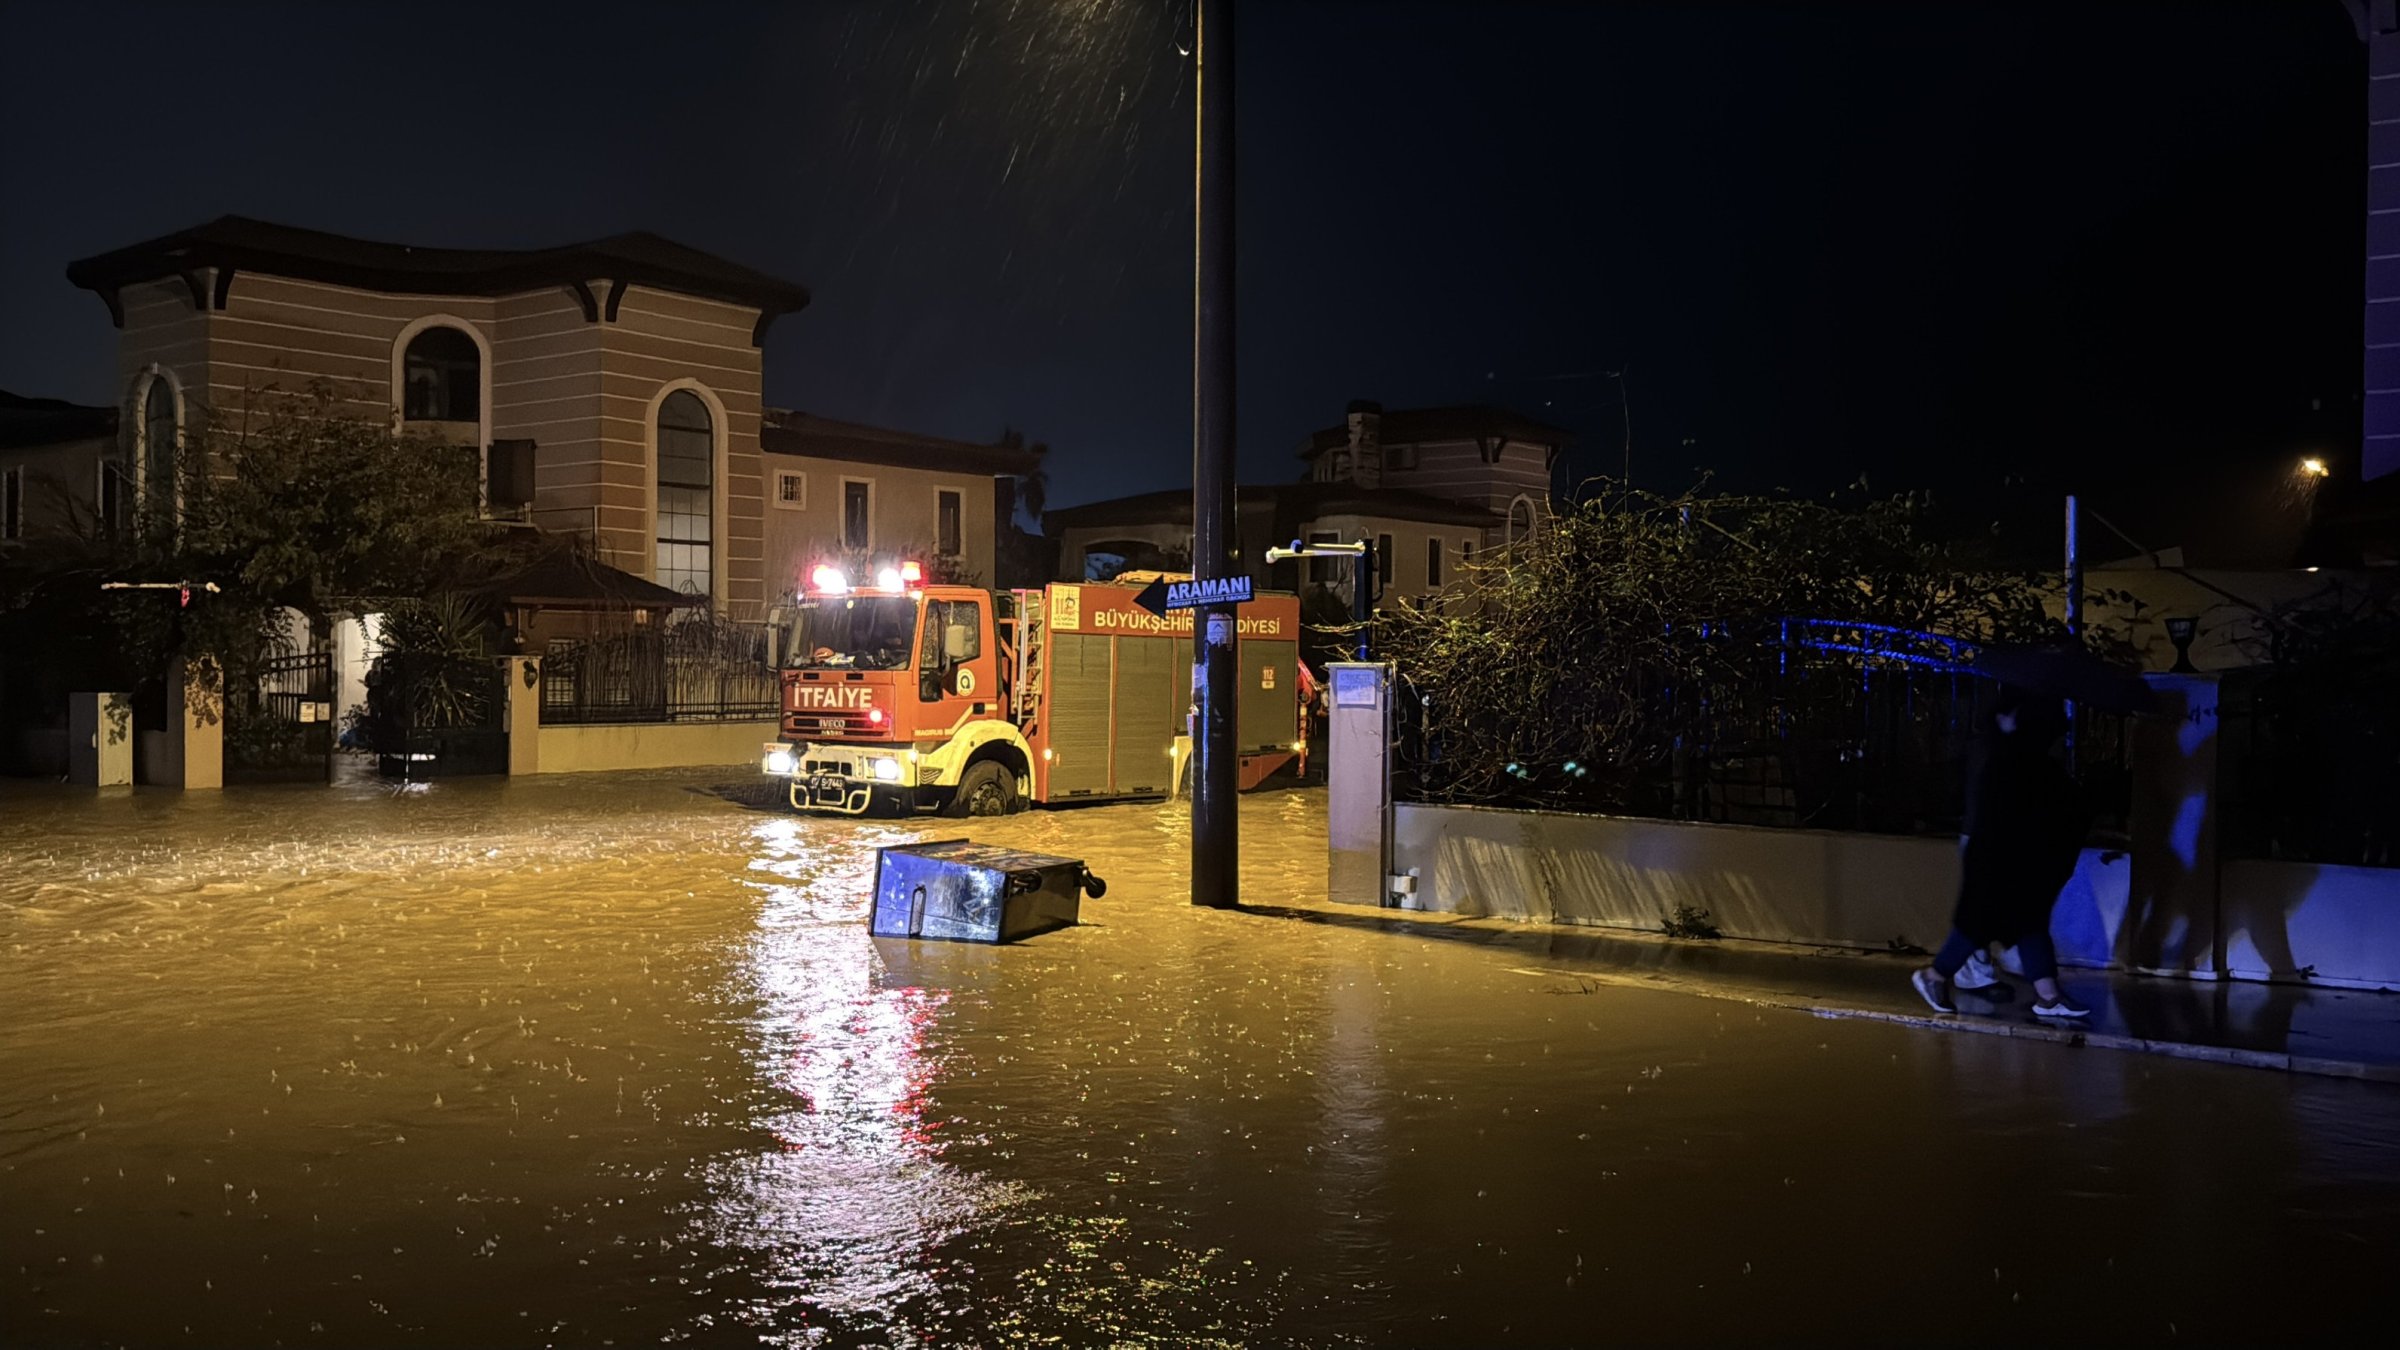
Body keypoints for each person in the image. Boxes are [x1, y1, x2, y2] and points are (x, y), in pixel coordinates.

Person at [1911, 686, 2095, 1020]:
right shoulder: (2005, 756)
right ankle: (1935, 975)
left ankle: (2048, 995)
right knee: (1987, 924)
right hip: (2002, 857)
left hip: (2009, 857)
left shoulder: (2015, 756)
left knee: (2024, 923)